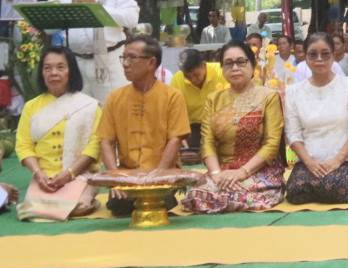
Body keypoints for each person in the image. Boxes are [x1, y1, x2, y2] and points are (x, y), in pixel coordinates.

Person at [183, 42, 285, 214]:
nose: (235, 67)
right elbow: (207, 142)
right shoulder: (213, 99)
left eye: (241, 62)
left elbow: (272, 144)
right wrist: (216, 174)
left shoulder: (268, 96)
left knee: (239, 194)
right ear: (222, 69)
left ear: (252, 65)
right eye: (229, 63)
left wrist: (242, 172)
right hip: (223, 172)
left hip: (258, 170)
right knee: (196, 195)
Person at [95, 36, 191, 215]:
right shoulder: (115, 98)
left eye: (132, 58)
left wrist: (159, 175)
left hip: (162, 174)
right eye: (123, 58)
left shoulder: (172, 96)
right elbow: (106, 141)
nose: (125, 64)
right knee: (120, 206)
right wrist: (115, 176)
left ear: (151, 62)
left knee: (159, 202)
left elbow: (175, 139)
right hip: (127, 176)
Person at [48, 0, 140, 102]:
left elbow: (131, 18)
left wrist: (96, 7)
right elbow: (51, 27)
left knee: (112, 114)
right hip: (75, 63)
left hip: (110, 61)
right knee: (79, 117)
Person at [16, 46, 100, 220]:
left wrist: (69, 174)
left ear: (71, 71)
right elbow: (23, 146)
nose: (53, 73)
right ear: (42, 73)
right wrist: (38, 174)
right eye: (47, 68)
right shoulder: (31, 107)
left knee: (79, 207)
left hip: (79, 175)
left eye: (60, 67)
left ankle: (88, 195)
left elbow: (94, 145)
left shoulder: (89, 106)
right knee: (31, 212)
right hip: (44, 178)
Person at [284, 32, 348, 204]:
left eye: (325, 53)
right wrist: (309, 162)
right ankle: (321, 186)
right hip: (310, 161)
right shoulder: (293, 92)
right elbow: (293, 134)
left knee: (335, 187)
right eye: (313, 54)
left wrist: (337, 161)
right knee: (295, 192)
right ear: (305, 57)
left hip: (346, 159)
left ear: (334, 55)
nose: (319, 59)